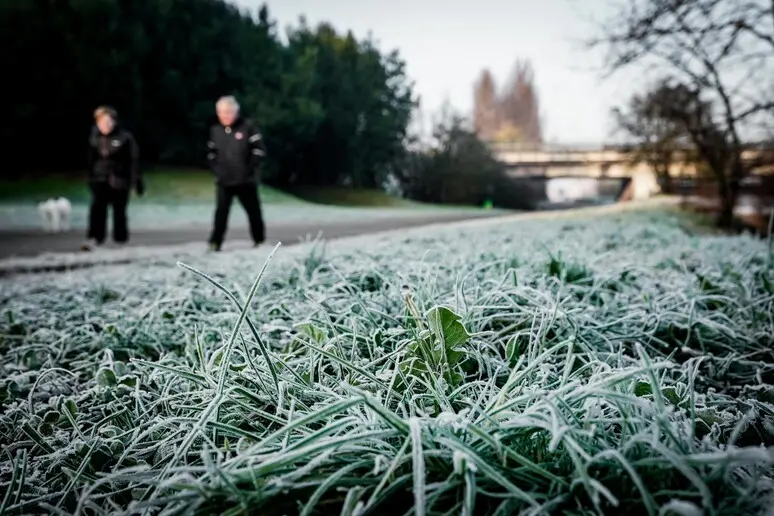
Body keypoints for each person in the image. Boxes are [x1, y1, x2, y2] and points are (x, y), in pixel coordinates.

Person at [206, 96, 267, 251]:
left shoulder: (248, 127)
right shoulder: (215, 131)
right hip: (224, 180)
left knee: (253, 211)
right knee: (221, 213)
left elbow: (259, 150)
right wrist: (217, 170)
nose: (225, 115)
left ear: (236, 112)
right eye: (221, 112)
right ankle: (215, 242)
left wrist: (249, 169)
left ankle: (259, 240)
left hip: (246, 180)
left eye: (228, 112)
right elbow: (211, 154)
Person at [82, 106, 143, 251]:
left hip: (120, 179)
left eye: (109, 122)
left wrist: (137, 180)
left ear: (114, 122)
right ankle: (95, 237)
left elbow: (134, 160)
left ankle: (120, 240)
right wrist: (90, 177)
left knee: (119, 211)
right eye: (102, 122)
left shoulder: (125, 137)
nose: (106, 125)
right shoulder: (93, 138)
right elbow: (89, 160)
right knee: (97, 209)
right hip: (99, 179)